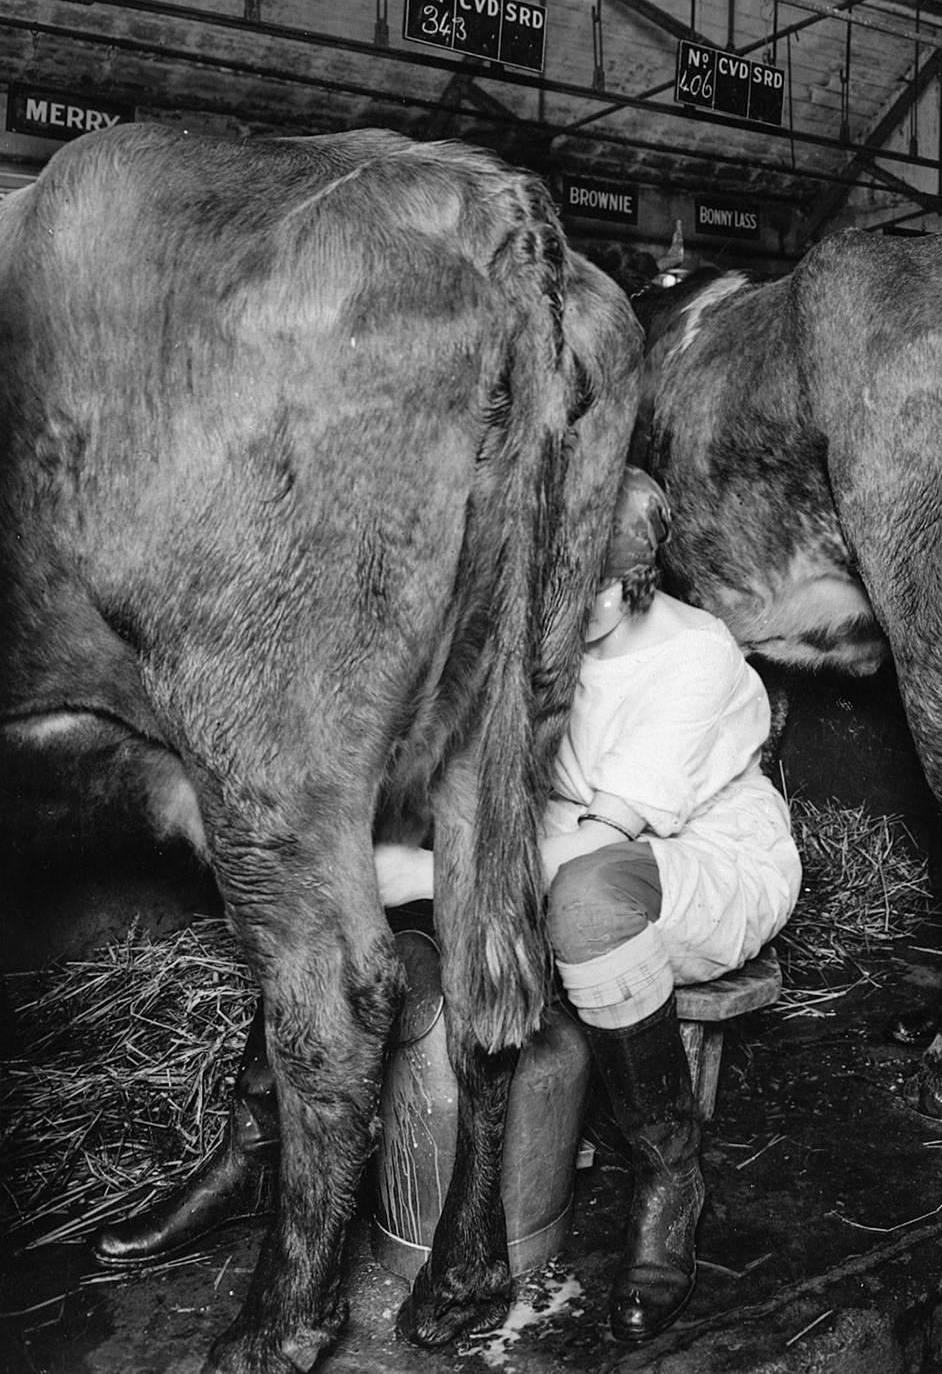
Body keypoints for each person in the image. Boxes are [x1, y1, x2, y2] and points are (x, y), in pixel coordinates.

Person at [90, 467, 801, 1347]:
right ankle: (258, 1147)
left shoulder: (690, 657)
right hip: (544, 834)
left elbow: (595, 840)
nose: (538, 614)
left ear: (627, 587)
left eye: (566, 593)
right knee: (326, 897)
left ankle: (670, 1170)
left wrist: (424, 873)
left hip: (686, 859)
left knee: (575, 906)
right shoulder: (552, 635)